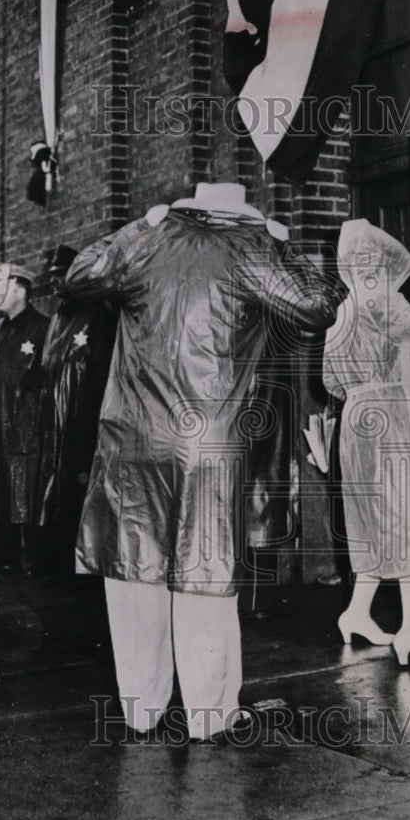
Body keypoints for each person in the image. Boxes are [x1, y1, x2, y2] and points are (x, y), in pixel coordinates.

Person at [65, 182, 348, 740]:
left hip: (132, 438)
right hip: (208, 443)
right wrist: (281, 243)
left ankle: (141, 709)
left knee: (135, 571)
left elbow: (79, 275)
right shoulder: (253, 246)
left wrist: (141, 226)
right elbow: (319, 307)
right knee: (205, 575)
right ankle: (209, 714)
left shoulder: (148, 241)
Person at [322, 218, 410, 666]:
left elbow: (329, 381)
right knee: (409, 521)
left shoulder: (343, 309)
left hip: (356, 422)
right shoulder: (381, 300)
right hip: (391, 420)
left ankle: (356, 614)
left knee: (374, 523)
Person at [36, 245, 118, 581]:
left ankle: (82, 561)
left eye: (60, 276)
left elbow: (103, 366)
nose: (53, 282)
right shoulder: (59, 317)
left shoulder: (98, 312)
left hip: (84, 414)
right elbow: (48, 365)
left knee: (81, 484)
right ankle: (56, 558)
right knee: (57, 484)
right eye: (51, 276)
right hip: (57, 417)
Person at [0, 266, 51, 576]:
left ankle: (34, 559)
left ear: (19, 290)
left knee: (26, 490)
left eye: (1, 288)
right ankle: (3, 556)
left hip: (25, 425)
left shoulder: (43, 327)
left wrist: (31, 420)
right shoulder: (1, 330)